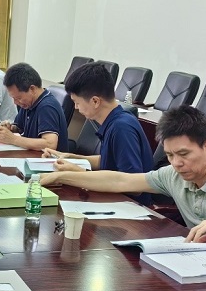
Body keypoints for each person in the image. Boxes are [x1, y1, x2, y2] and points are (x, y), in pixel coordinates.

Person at [40, 106, 206, 260]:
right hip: (204, 264)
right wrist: (61, 177)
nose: (176, 163)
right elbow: (120, 180)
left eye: (183, 154)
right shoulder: (173, 175)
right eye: (170, 155)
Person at [40, 62, 153, 202]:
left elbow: (133, 186)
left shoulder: (121, 127)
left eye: (77, 102)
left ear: (95, 101)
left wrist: (77, 172)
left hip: (128, 205)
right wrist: (71, 157)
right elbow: (108, 160)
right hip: (112, 199)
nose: (75, 108)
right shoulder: (114, 121)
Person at [0, 62, 68, 152]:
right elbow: (20, 128)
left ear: (32, 89)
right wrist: (10, 128)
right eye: (13, 98)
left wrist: (13, 139)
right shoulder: (28, 103)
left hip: (49, 159)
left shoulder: (47, 107)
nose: (15, 102)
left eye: (18, 98)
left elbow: (50, 144)